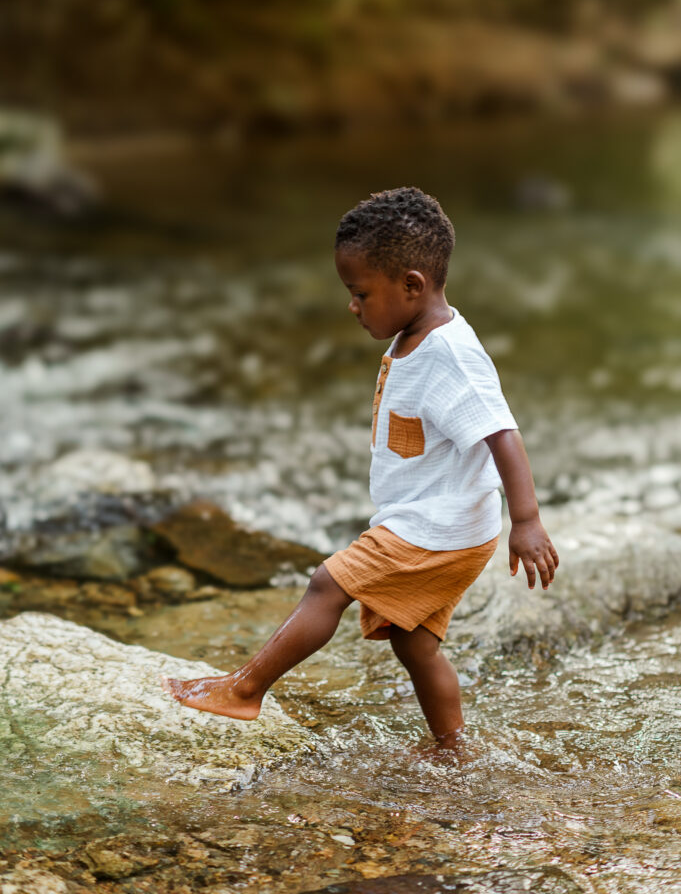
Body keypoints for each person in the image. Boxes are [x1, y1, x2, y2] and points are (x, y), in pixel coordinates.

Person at [162, 187, 558, 748]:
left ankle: (246, 690)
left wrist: (527, 520)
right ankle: (454, 747)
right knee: (414, 644)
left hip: (437, 527)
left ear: (412, 285)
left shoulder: (450, 354)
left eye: (360, 293)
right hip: (433, 522)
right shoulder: (413, 336)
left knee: (329, 583)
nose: (352, 306)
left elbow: (502, 433)